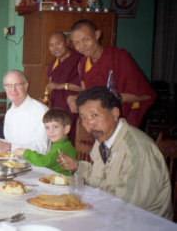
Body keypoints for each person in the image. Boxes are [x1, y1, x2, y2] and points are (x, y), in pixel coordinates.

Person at [57, 86, 173, 220]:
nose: (89, 124)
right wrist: (77, 167)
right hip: (111, 215)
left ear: (114, 113)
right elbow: (101, 180)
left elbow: (127, 208)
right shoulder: (103, 139)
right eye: (83, 118)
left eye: (95, 115)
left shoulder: (137, 150)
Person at [68, 19, 156, 127]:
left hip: (122, 119)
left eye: (85, 39)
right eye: (76, 43)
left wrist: (116, 98)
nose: (82, 46)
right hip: (97, 121)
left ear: (97, 35)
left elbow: (145, 95)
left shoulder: (118, 57)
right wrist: (75, 99)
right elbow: (85, 91)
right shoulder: (82, 63)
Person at [0, 70, 49, 153]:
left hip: (34, 165)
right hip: (12, 162)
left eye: (17, 85)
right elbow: (11, 143)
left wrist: (9, 146)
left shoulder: (41, 111)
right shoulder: (10, 113)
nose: (13, 90)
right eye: (8, 85)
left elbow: (42, 148)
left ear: (26, 86)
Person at [14, 108, 76, 176]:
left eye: (55, 127)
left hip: (65, 181)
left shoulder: (63, 147)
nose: (51, 131)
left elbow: (44, 162)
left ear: (66, 129)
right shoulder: (59, 143)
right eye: (47, 127)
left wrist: (25, 152)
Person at [45, 31, 82, 142]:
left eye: (58, 44)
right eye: (51, 45)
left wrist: (61, 86)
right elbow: (51, 87)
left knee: (73, 140)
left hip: (73, 108)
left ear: (67, 42)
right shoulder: (53, 64)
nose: (55, 48)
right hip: (58, 108)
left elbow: (85, 88)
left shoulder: (79, 60)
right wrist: (46, 96)